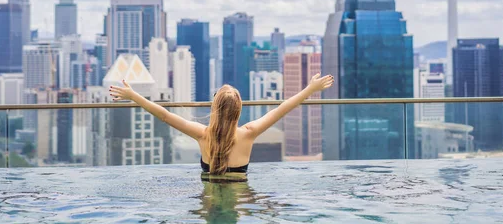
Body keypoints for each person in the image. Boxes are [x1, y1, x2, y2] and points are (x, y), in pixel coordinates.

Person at [108, 73, 334, 175]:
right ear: (239, 110)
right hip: (242, 199)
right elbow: (282, 109)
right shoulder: (249, 133)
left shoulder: (202, 134)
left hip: (208, 200)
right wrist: (310, 89)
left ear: (214, 107)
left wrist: (133, 95)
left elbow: (165, 115)